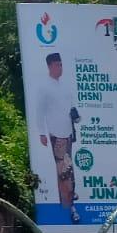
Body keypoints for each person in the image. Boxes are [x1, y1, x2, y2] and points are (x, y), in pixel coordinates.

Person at [33, 51, 81, 222]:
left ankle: (69, 197)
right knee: (63, 169)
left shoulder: (64, 85)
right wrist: (41, 133)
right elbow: (39, 111)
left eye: (61, 64)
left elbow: (71, 104)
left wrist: (75, 114)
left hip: (68, 132)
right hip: (56, 134)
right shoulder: (44, 86)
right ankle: (69, 206)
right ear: (50, 66)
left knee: (69, 167)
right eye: (57, 64)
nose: (60, 67)